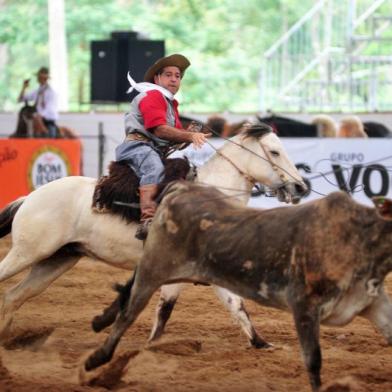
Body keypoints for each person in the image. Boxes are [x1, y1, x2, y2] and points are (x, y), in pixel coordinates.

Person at [115, 54, 210, 240]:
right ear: (157, 78)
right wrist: (190, 135)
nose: (174, 79)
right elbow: (159, 130)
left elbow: (173, 137)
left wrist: (187, 136)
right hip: (137, 147)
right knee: (154, 168)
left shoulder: (169, 103)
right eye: (169, 74)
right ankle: (148, 219)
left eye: (178, 76)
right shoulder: (153, 96)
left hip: (152, 149)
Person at [18, 66, 59, 138]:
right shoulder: (37, 91)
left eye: (42, 77)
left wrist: (39, 115)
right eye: (39, 77)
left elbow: (50, 108)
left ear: (46, 79)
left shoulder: (51, 93)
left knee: (36, 118)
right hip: (37, 119)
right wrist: (24, 87)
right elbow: (21, 99)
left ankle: (46, 134)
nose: (40, 79)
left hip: (47, 120)